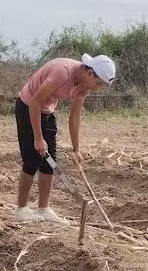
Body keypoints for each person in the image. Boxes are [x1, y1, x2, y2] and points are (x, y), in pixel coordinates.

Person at [14, 54, 116, 224]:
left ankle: (43, 209)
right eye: (99, 83)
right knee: (32, 161)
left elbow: (74, 117)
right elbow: (34, 102)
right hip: (28, 107)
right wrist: (38, 138)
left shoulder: (85, 87)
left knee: (50, 161)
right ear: (90, 73)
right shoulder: (63, 72)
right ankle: (21, 209)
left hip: (46, 110)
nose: (98, 88)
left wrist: (76, 150)